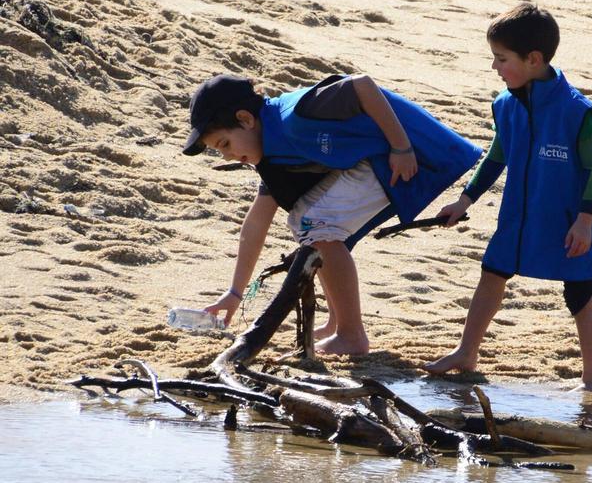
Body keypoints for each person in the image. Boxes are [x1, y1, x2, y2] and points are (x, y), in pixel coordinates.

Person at [182, 72, 481, 355]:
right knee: (303, 220)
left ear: (246, 120)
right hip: (380, 160)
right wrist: (235, 292)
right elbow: (257, 222)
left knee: (317, 224)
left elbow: (362, 85)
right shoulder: (271, 146)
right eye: (219, 151)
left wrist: (401, 147)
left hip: (413, 154)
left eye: (225, 144)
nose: (228, 156)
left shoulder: (294, 116)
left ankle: (351, 335)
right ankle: (337, 323)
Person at [424, 3, 592, 390]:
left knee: (579, 292)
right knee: (492, 271)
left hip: (569, 219)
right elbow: (498, 155)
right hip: (519, 214)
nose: (495, 67)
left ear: (533, 59)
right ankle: (467, 351)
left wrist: (585, 221)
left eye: (501, 59)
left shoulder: (578, 112)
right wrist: (466, 199)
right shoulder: (505, 104)